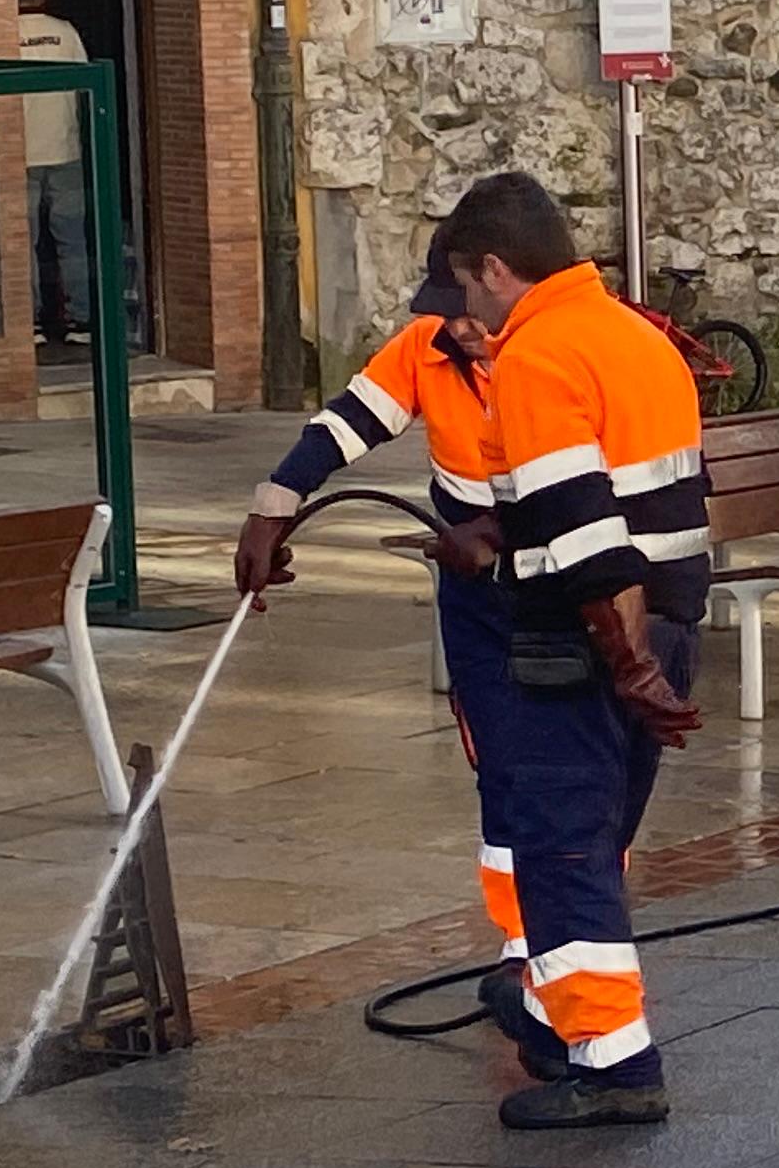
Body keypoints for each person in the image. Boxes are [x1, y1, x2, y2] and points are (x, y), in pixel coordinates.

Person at [228, 241, 571, 1073]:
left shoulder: (550, 354)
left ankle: (572, 938)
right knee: (497, 763)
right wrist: (272, 509)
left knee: (566, 768)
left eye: (463, 310)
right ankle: (524, 945)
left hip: (560, 582)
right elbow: (347, 423)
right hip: (476, 595)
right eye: (440, 312)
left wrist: (497, 535)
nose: (455, 330)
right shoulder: (428, 348)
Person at [440, 171, 706, 1130]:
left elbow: (587, 535)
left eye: (469, 285)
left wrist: (624, 666)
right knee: (599, 838)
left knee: (562, 850)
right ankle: (556, 1020)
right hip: (671, 624)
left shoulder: (538, 357)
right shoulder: (641, 339)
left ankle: (616, 1065)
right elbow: (641, 503)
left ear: (499, 270)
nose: (468, 308)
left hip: (584, 648)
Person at [16, 0, 93, 347]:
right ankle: (81, 319)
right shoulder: (65, 33)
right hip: (65, 151)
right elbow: (86, 87)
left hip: (21, 154)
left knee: (22, 241)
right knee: (72, 239)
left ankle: (29, 323)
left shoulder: (4, 33)